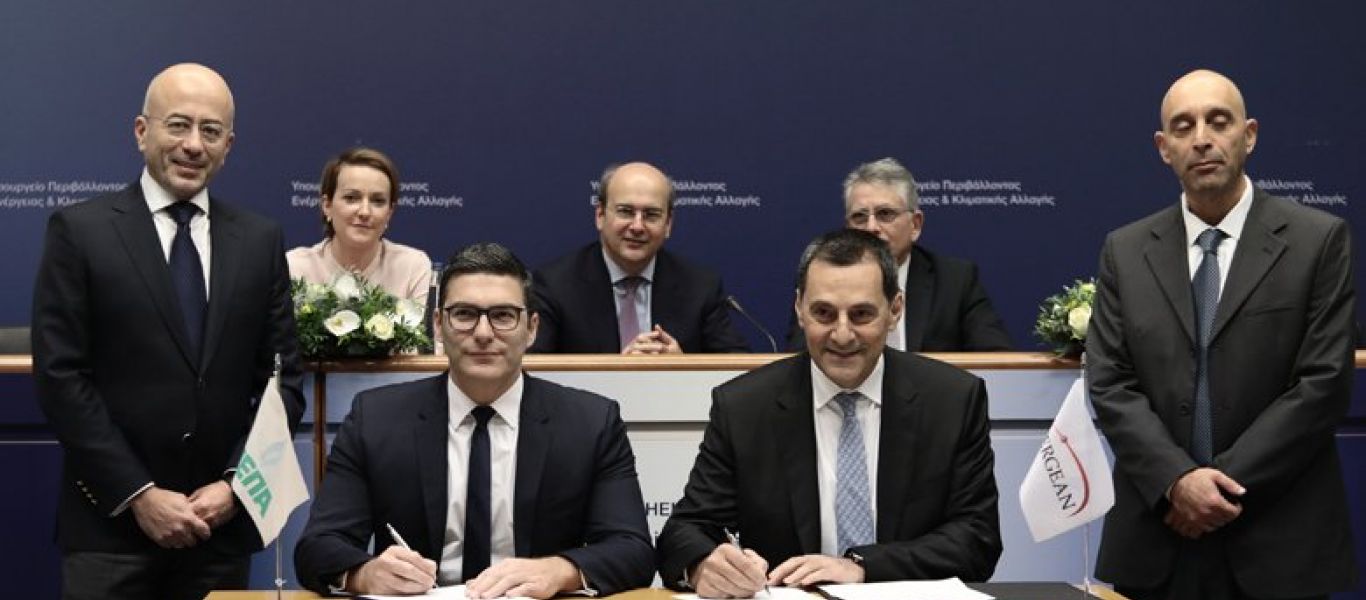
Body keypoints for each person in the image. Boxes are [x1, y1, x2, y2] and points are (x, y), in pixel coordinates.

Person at [31, 63, 305, 600]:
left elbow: (282, 383)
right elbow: (62, 377)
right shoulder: (80, 231)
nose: (193, 145)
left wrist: (235, 486)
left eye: (211, 130)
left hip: (217, 532)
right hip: (110, 531)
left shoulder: (259, 240)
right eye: (178, 125)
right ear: (142, 132)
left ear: (228, 145)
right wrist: (138, 494)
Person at [1087, 69, 1357, 600]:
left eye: (1218, 121)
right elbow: (1111, 383)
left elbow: (1322, 384)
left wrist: (1214, 487)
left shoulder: (1318, 240)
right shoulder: (1125, 250)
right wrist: (1176, 482)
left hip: (1279, 541)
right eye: (1183, 126)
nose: (1202, 139)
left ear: (1248, 135)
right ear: (1164, 148)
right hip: (1158, 542)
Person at [295, 242, 655, 598]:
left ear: (531, 329)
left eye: (503, 315)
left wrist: (560, 571)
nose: (483, 333)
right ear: (438, 325)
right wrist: (366, 574)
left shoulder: (591, 423)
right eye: (465, 314)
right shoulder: (376, 418)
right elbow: (317, 547)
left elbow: (633, 549)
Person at [657, 229, 1001, 598]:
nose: (842, 335)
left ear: (895, 310)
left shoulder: (952, 400)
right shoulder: (744, 406)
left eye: (861, 314)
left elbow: (976, 538)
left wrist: (862, 567)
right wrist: (703, 565)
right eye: (823, 313)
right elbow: (684, 531)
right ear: (799, 309)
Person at [788, 158, 1011, 352]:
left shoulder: (955, 280)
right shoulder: (821, 278)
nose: (872, 227)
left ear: (915, 225)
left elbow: (997, 361)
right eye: (860, 217)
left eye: (885, 214)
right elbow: (799, 361)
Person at [531, 161, 749, 354]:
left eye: (651, 215)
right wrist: (616, 372)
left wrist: (683, 367)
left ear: (668, 224)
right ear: (600, 216)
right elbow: (533, 369)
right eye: (625, 211)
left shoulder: (701, 286)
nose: (637, 226)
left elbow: (737, 368)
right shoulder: (555, 286)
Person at [286, 147, 433, 304]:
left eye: (377, 201)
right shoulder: (294, 267)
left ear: (390, 212)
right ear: (327, 205)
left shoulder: (412, 267)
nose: (364, 212)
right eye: (351, 198)